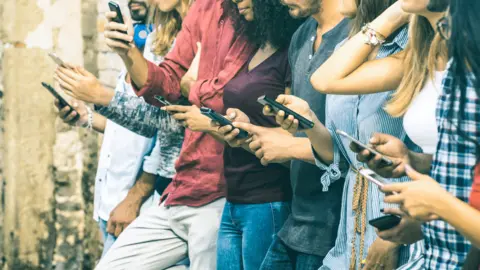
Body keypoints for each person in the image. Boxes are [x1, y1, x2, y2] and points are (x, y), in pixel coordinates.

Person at [57, 0, 258, 268]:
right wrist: (127, 53)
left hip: (218, 188)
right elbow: (167, 90)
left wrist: (102, 96)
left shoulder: (247, 14)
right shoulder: (184, 21)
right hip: (178, 187)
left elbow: (200, 109)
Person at [257, 1, 427, 269]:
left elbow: (433, 159)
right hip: (349, 237)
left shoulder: (414, 52)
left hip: (398, 223)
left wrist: (394, 237)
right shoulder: (345, 52)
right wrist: (309, 122)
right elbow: (341, 156)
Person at [180, 0, 303, 269]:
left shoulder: (289, 54)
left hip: (267, 199)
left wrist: (214, 126)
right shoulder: (254, 49)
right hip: (234, 197)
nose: (236, 1)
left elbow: (290, 141)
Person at [229, 0, 348, 269]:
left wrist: (290, 149)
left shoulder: (357, 36)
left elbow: (355, 147)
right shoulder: (302, 35)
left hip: (334, 227)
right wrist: (252, 132)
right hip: (297, 219)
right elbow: (298, 132)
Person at [54, 0, 169, 257]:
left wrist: (134, 198)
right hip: (112, 200)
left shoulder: (167, 49)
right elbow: (130, 126)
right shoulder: (143, 45)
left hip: (140, 205)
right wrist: (86, 117)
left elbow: (170, 133)